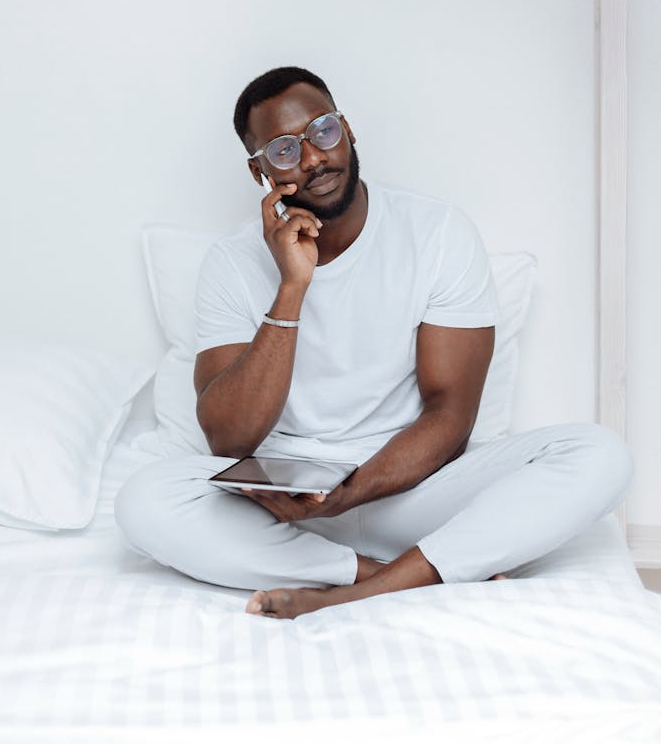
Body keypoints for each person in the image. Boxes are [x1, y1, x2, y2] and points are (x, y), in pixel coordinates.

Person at [115, 66, 633, 620]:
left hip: (411, 488)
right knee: (143, 502)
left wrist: (353, 490)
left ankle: (356, 593)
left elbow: (451, 416)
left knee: (599, 455)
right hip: (288, 501)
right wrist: (291, 288)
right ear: (259, 170)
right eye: (285, 149)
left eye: (323, 131)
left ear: (349, 130)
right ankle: (393, 573)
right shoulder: (231, 261)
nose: (313, 157)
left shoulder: (436, 233)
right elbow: (227, 436)